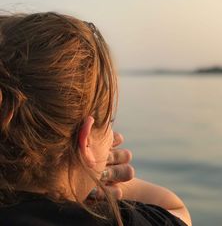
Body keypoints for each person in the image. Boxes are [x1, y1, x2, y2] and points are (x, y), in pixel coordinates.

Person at [0, 12, 191, 226]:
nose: (113, 138)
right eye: (110, 122)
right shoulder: (113, 220)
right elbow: (176, 209)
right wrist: (93, 178)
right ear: (86, 139)